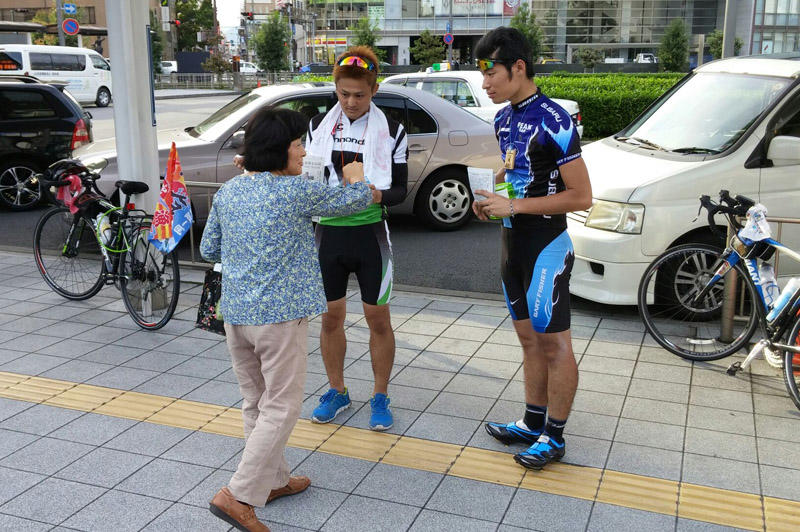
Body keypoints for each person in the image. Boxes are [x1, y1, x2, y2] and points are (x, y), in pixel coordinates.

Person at [201, 106, 373, 532]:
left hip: (237, 317)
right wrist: (359, 179)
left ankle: (272, 481)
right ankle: (238, 495)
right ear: (279, 150)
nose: (303, 152)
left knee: (255, 402)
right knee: (282, 406)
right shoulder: (294, 192)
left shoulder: (230, 192)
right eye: (298, 144)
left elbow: (208, 250)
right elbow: (356, 200)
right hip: (280, 320)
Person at [472, 27, 592, 470]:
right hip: (512, 244)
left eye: (491, 73)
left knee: (554, 344)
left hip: (546, 246)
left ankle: (555, 437)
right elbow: (516, 178)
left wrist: (515, 203)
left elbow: (582, 196)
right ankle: (532, 420)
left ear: (518, 68)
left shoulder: (556, 120)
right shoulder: (503, 119)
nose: (485, 84)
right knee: (528, 341)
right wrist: (491, 201)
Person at [306, 46, 408, 431]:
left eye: (359, 95)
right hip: (327, 233)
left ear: (374, 89)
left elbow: (400, 189)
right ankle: (338, 391)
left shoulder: (394, 130)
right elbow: (305, 175)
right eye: (343, 93)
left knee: (377, 319)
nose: (350, 102)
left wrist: (379, 194)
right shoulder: (317, 126)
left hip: (370, 235)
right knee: (330, 318)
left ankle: (380, 395)